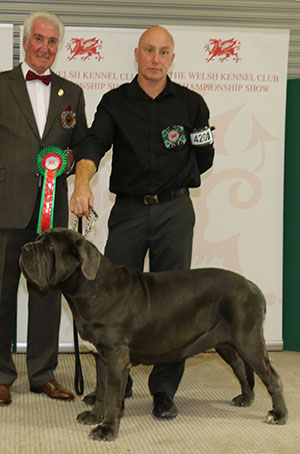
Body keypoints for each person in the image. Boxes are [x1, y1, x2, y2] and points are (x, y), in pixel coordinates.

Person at [70, 25, 214, 419]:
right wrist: (82, 182)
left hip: (174, 212)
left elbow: (204, 157)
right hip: (129, 212)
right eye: (149, 51)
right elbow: (92, 146)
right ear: (137, 54)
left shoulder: (192, 104)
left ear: (172, 57)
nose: (155, 59)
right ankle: (117, 384)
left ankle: (164, 390)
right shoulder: (115, 102)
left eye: (163, 52)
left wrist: (174, 181)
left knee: (175, 305)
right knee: (112, 300)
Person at [0, 10, 87, 405]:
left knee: (48, 291)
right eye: (39, 39)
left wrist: (66, 163)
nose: (45, 47)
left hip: (52, 215)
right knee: (1, 292)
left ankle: (42, 373)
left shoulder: (73, 91)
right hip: (6, 206)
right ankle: (1, 374)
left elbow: (82, 144)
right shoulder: (2, 85)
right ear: (24, 41)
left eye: (52, 41)